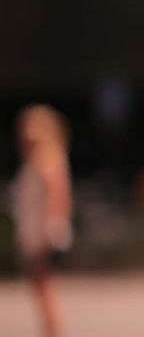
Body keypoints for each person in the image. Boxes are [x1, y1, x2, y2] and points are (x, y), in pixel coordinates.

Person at [11, 104, 73, 337]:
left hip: (43, 233)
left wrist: (50, 230)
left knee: (45, 289)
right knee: (41, 289)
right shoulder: (40, 158)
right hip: (35, 231)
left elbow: (57, 196)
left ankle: (52, 333)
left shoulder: (47, 158)